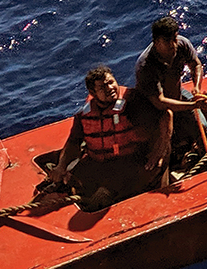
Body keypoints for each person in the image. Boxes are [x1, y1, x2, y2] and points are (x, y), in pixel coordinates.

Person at [41, 65, 170, 208]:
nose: (110, 88)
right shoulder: (84, 115)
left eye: (111, 82)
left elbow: (165, 115)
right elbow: (73, 142)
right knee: (69, 179)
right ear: (93, 92)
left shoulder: (133, 103)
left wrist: (160, 151)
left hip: (133, 162)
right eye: (102, 87)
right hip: (102, 163)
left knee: (101, 199)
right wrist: (61, 166)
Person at [132, 14, 207, 174]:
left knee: (204, 130)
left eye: (175, 38)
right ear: (156, 42)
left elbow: (196, 65)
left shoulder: (182, 44)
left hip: (178, 97)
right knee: (163, 144)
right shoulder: (145, 66)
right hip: (154, 110)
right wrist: (192, 105)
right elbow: (160, 102)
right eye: (167, 41)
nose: (173, 44)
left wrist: (197, 87)